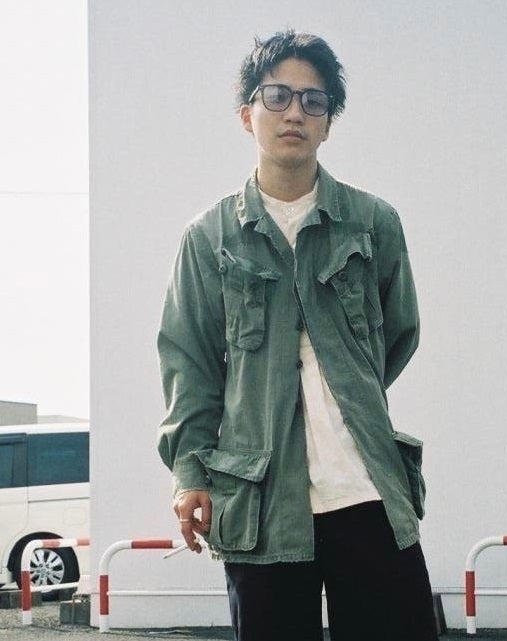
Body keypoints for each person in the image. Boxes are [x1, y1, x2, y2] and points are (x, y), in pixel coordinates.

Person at [157, 29, 439, 641]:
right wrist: (191, 474)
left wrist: (349, 393)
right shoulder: (207, 239)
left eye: (314, 101)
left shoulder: (373, 222)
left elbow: (399, 335)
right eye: (277, 96)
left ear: (328, 123)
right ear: (247, 114)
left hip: (366, 488)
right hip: (259, 501)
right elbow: (190, 364)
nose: (295, 113)